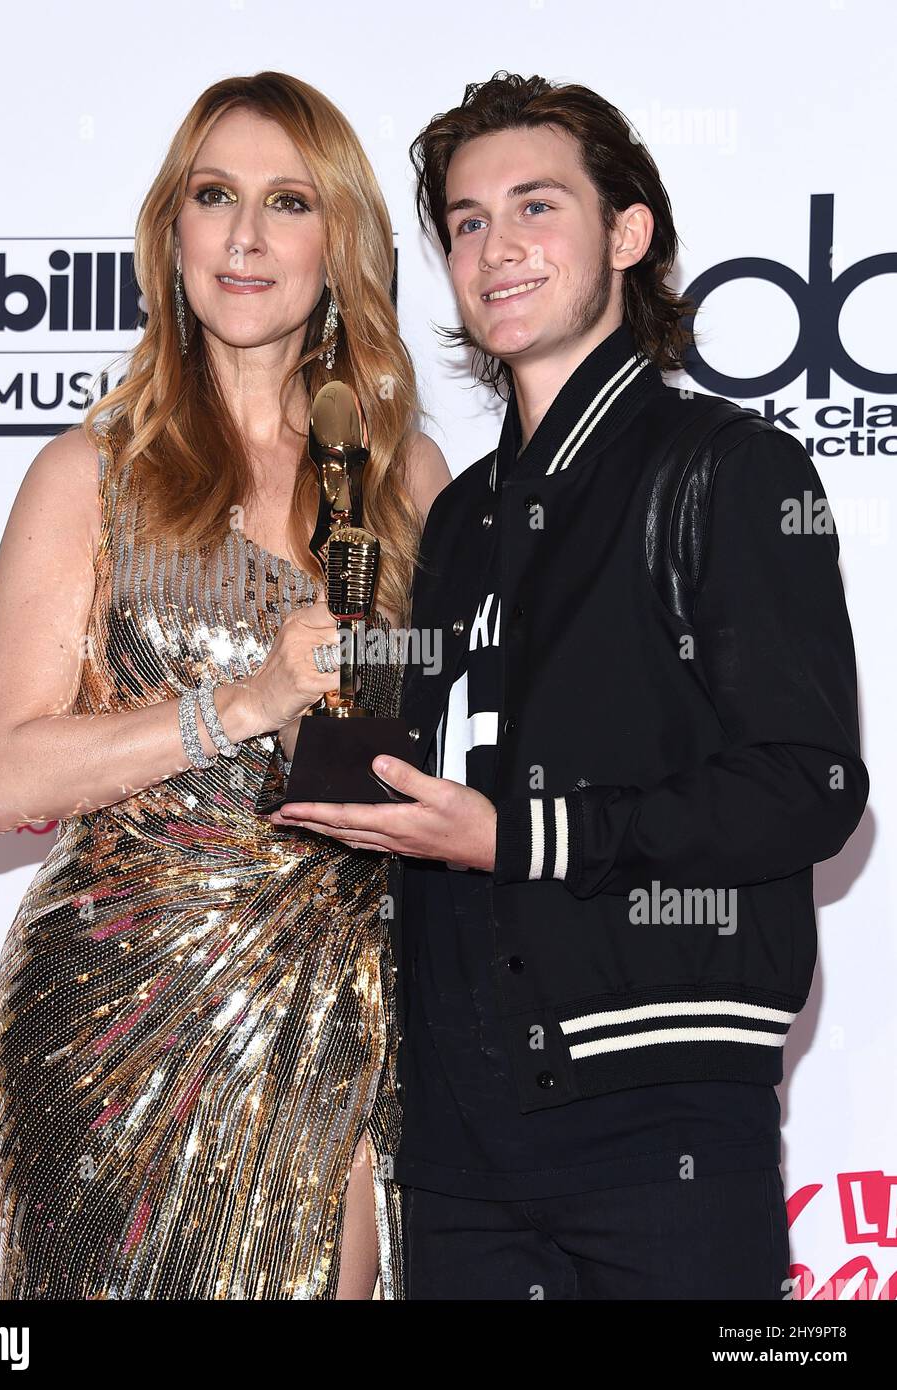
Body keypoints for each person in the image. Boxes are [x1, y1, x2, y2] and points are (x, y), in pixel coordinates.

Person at [268, 73, 870, 1300]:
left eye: (535, 208)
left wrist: (521, 835)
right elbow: (435, 763)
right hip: (456, 1147)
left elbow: (807, 785)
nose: (496, 249)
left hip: (661, 1128)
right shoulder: (455, 521)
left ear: (626, 235)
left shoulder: (730, 470)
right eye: (466, 222)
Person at [0, 70, 450, 1300]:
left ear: (338, 240)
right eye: (213, 196)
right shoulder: (91, 474)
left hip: (342, 996)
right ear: (170, 234)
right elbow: (3, 778)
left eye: (287, 201)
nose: (245, 237)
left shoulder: (412, 486)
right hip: (115, 1016)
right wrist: (238, 704)